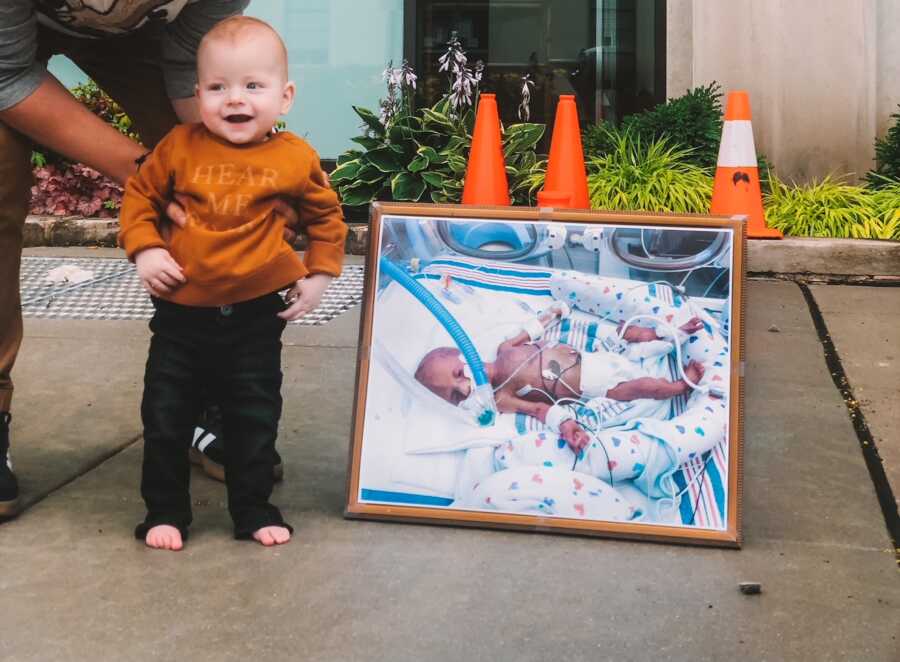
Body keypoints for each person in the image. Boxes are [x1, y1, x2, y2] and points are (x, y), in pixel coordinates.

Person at [0, 0, 260, 520]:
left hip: (148, 40)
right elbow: (6, 74)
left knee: (215, 181)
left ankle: (205, 393)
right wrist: (144, 170)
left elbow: (189, 59)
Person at [118, 15, 346, 551]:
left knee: (254, 418)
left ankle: (254, 509)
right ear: (198, 95)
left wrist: (318, 274)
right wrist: (146, 248)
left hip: (254, 317)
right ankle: (164, 513)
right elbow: (139, 199)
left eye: (252, 86)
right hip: (180, 317)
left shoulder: (294, 157)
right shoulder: (178, 147)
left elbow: (327, 219)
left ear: (284, 96)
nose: (234, 99)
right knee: (165, 418)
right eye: (217, 87)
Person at [414, 305, 705, 451]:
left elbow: (532, 331)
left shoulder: (505, 350)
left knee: (625, 332)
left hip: (595, 356)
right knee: (644, 387)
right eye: (454, 395)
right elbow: (540, 410)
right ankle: (679, 387)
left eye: (456, 374)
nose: (463, 386)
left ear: (467, 354)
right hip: (599, 387)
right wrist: (565, 424)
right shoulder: (500, 398)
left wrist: (553, 313)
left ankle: (670, 334)